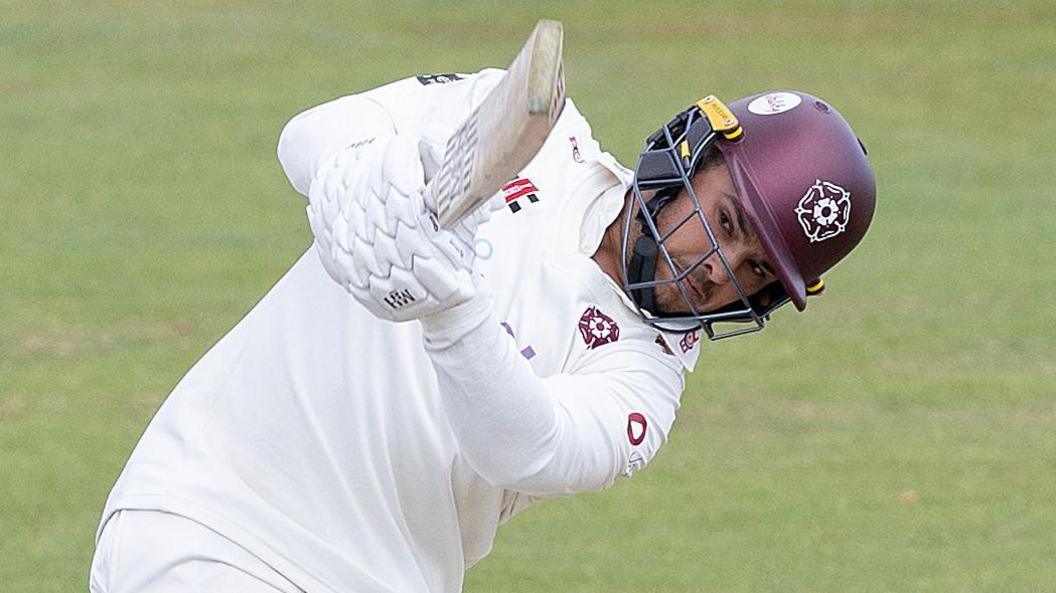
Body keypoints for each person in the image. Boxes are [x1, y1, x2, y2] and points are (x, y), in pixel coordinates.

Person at [89, 68, 875, 593]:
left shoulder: (646, 385)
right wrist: (370, 186)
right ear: (692, 150)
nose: (720, 268)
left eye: (756, 271)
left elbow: (522, 445)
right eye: (729, 220)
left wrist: (448, 302)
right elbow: (310, 135)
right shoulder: (531, 127)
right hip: (203, 516)